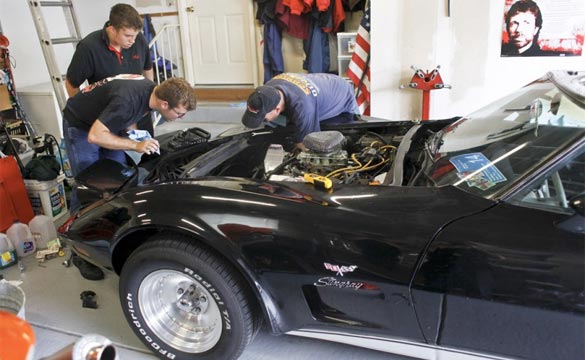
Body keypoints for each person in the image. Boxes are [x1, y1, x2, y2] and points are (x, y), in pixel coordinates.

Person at [62, 75, 197, 214]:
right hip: (81, 125)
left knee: (119, 177)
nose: (181, 117)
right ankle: (73, 225)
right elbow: (95, 136)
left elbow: (131, 114)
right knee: (89, 181)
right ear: (164, 104)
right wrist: (135, 145)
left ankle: (108, 216)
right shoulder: (126, 101)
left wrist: (137, 135)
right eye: (179, 114)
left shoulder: (150, 92)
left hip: (105, 122)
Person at [65, 3, 155, 132]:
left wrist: (149, 98)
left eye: (135, 35)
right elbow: (71, 84)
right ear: (112, 29)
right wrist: (84, 115)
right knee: (117, 150)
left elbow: (148, 68)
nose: (133, 40)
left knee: (147, 150)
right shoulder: (88, 48)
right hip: (109, 115)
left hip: (138, 112)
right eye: (128, 36)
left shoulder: (138, 39)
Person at [241, 73, 359, 150]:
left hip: (342, 93)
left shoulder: (303, 107)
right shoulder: (268, 89)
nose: (262, 121)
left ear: (277, 110)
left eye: (263, 118)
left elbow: (308, 147)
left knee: (354, 136)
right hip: (321, 83)